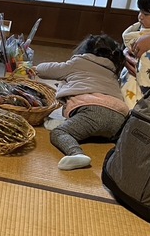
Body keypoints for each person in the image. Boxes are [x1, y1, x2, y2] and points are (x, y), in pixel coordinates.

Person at [35, 34, 128, 171]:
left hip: (92, 112)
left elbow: (44, 70)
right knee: (96, 128)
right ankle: (74, 125)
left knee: (59, 133)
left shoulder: (78, 62)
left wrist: (35, 68)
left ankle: (76, 154)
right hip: (119, 118)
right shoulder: (113, 71)